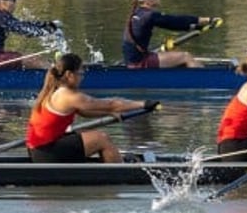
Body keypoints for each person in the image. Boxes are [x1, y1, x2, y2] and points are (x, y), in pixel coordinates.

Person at [26, 53, 157, 163]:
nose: (82, 78)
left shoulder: (54, 90)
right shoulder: (68, 96)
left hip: (37, 151)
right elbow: (112, 103)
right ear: (69, 74)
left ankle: (111, 161)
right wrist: (143, 104)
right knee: (101, 138)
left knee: (85, 133)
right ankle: (122, 172)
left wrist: (109, 113)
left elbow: (85, 111)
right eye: (80, 73)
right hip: (47, 153)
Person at [122, 0, 218, 68]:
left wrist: (196, 27)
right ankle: (207, 80)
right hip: (140, 63)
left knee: (176, 58)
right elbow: (176, 22)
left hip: (132, 60)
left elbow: (173, 25)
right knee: (186, 56)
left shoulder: (137, 12)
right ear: (148, 0)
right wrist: (208, 20)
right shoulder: (150, 15)